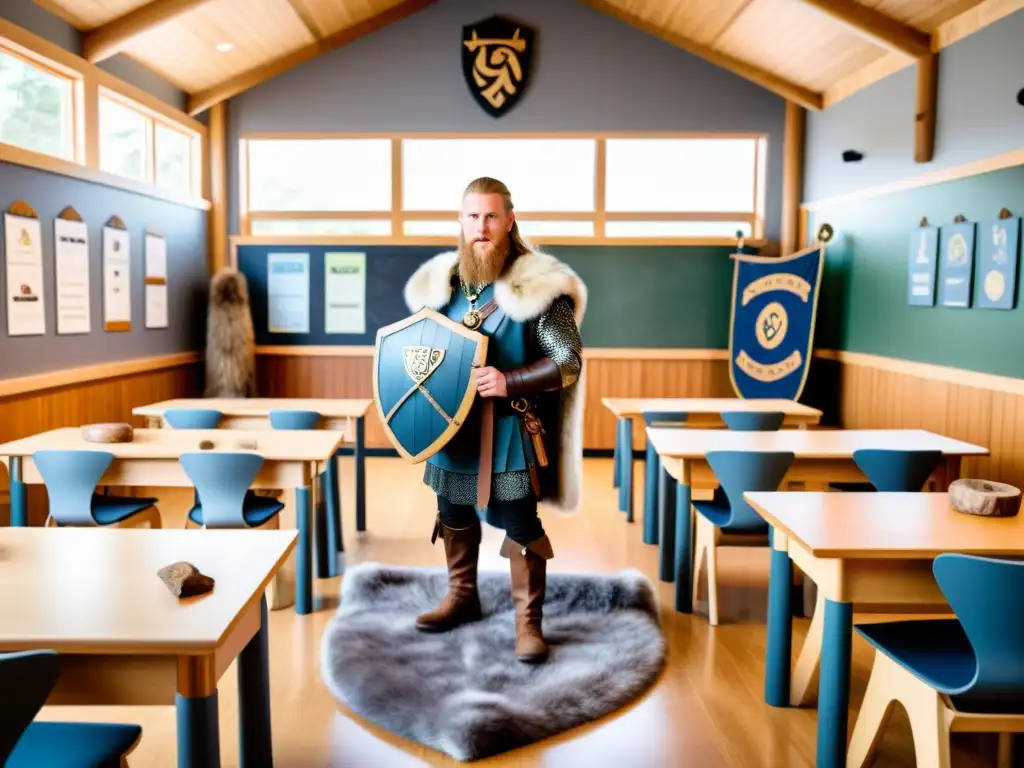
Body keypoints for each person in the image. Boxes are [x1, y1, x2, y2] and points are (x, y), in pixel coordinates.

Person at [401, 176, 587, 663]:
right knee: (452, 513)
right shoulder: (443, 287)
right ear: (460, 222)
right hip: (451, 423)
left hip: (510, 428)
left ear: (509, 220)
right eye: (471, 216)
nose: (480, 226)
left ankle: (529, 624)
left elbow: (567, 361)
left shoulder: (540, 287)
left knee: (521, 525)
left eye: (490, 216)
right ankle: (462, 597)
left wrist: (511, 381)